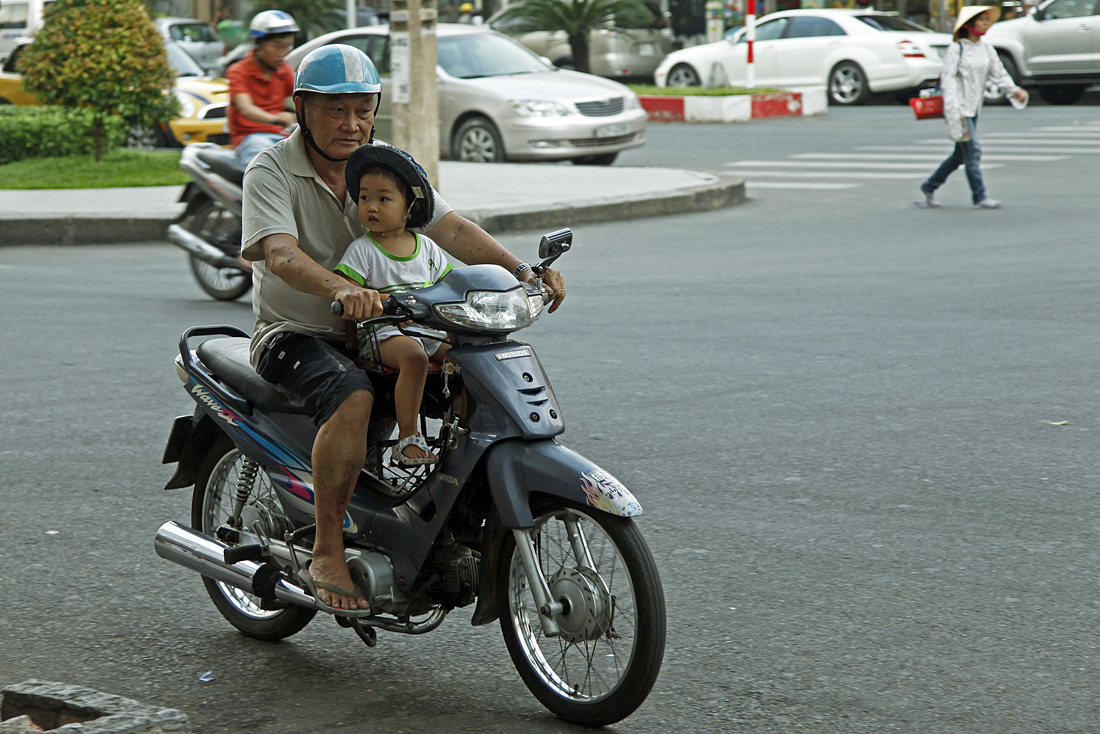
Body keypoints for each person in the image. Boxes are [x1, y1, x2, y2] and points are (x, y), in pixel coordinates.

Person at [240, 44, 566, 611]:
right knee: (353, 396)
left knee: (470, 376)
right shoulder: (270, 170)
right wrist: (342, 288)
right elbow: (280, 254)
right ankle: (326, 548)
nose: (351, 124)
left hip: (385, 329)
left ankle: (429, 517)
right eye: (335, 110)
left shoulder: (385, 164)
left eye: (363, 109)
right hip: (297, 333)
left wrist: (523, 272)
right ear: (301, 108)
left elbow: (452, 230)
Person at [334, 144, 452, 466]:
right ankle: (408, 437)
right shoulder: (363, 250)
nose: (371, 207)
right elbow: (347, 289)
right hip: (381, 335)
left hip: (425, 329)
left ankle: (464, 430)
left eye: (383, 199)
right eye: (364, 198)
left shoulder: (427, 247)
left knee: (466, 356)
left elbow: (450, 285)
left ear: (410, 207)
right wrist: (365, 299)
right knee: (414, 356)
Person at [917, 5, 1027, 210]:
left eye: (987, 20)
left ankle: (929, 185)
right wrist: (953, 109)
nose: (986, 24)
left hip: (974, 108)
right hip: (958, 108)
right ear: (970, 24)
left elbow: (999, 74)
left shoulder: (987, 49)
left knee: (960, 155)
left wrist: (1014, 90)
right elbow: (947, 79)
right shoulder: (956, 49)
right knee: (973, 150)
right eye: (982, 20)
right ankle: (979, 196)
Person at [227, 10, 300, 170]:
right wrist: (276, 118)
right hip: (250, 139)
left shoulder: (284, 70)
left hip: (281, 137)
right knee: (262, 172)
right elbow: (246, 108)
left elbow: (304, 95)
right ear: (259, 44)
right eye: (276, 47)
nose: (283, 53)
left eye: (287, 46)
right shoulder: (238, 71)